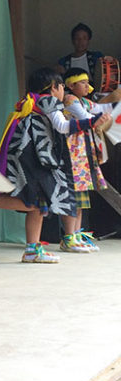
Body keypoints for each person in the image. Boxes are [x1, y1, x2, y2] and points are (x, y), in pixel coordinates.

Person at [0, 68, 107, 264]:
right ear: (54, 88)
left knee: (40, 203)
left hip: (28, 155)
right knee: (36, 202)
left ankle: (32, 249)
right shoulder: (47, 100)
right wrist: (92, 121)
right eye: (61, 86)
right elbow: (62, 126)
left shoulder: (35, 100)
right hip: (31, 157)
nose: (63, 91)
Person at [62, 67, 114, 252]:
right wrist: (100, 118)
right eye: (82, 82)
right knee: (73, 195)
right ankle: (69, 237)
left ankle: (76, 235)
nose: (87, 85)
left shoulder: (85, 101)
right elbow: (86, 117)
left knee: (82, 196)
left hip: (83, 154)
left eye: (87, 82)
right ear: (71, 85)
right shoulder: (69, 99)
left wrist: (113, 99)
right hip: (72, 154)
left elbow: (102, 108)